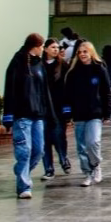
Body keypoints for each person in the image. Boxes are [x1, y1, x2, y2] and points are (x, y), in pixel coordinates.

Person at [1, 33, 52, 199]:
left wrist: (49, 112)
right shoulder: (18, 63)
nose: (43, 49)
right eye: (42, 46)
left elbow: (45, 91)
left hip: (38, 115)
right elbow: (10, 88)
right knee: (25, 151)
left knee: (38, 151)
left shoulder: (40, 65)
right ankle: (24, 186)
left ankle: (21, 171)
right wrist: (8, 114)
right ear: (35, 46)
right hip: (22, 115)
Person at [64, 41, 111, 186]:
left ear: (91, 52)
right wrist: (67, 113)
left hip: (95, 113)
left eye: (85, 51)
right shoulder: (73, 73)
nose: (82, 54)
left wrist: (107, 112)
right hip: (79, 114)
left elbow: (106, 92)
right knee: (81, 146)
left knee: (93, 142)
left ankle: (96, 165)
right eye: (79, 52)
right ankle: (87, 173)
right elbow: (67, 95)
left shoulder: (99, 69)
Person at [40, 38, 71, 180]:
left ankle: (63, 159)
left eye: (57, 47)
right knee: (45, 139)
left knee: (59, 136)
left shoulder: (63, 65)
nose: (55, 50)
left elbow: (68, 87)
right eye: (52, 47)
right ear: (45, 49)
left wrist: (67, 107)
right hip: (43, 108)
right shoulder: (39, 65)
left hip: (58, 108)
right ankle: (48, 168)